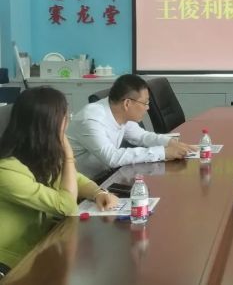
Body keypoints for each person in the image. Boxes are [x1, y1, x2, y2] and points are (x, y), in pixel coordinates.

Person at [0, 87, 119, 276]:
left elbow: (74, 179)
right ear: (48, 125)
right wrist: (68, 156)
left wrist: (98, 193)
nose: (68, 122)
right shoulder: (6, 169)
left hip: (41, 245)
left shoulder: (35, 153)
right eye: (65, 117)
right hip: (10, 261)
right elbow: (66, 206)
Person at [68, 74, 196, 180]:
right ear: (127, 103)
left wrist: (170, 142)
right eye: (145, 103)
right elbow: (112, 157)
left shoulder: (118, 110)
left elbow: (141, 136)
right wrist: (163, 152)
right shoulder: (90, 119)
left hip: (106, 177)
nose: (148, 108)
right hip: (81, 185)